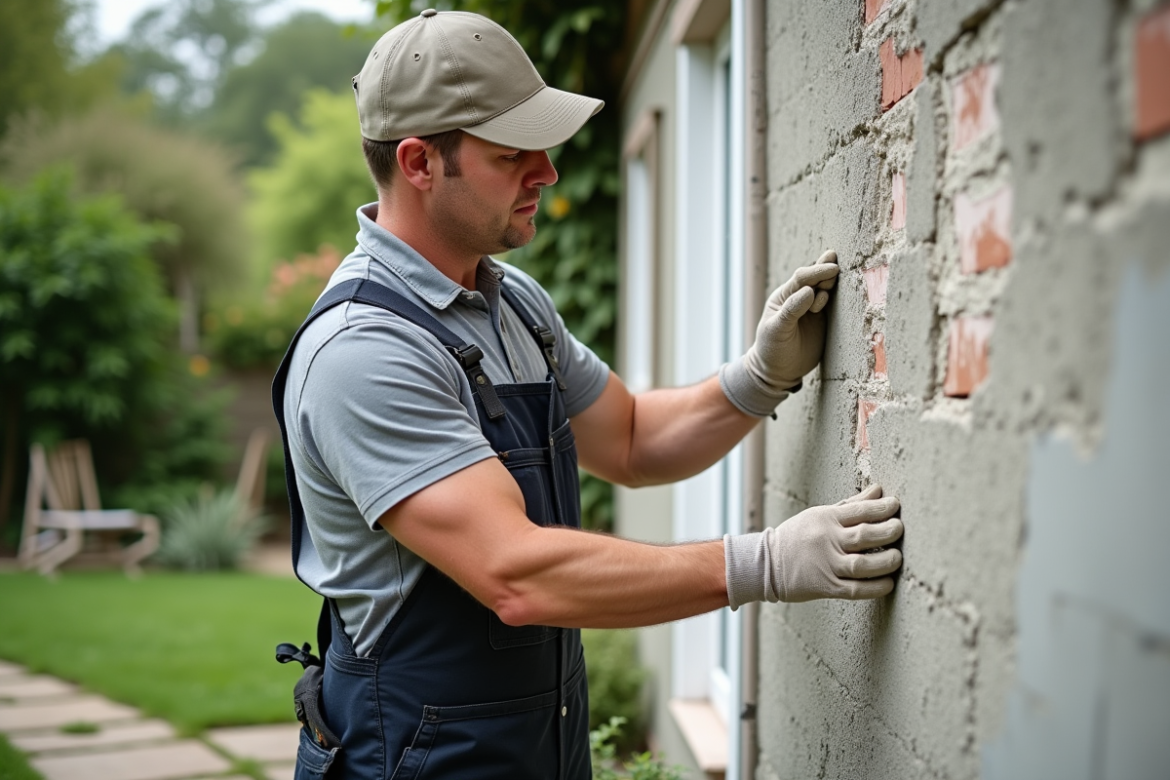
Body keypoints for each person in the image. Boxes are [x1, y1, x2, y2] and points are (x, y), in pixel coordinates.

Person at [272, 9, 904, 780]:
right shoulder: (363, 353)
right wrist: (763, 563)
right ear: (418, 162)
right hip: (416, 758)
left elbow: (631, 439)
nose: (548, 171)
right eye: (512, 155)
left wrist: (757, 378)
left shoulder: (514, 305)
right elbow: (516, 574)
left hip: (534, 747)